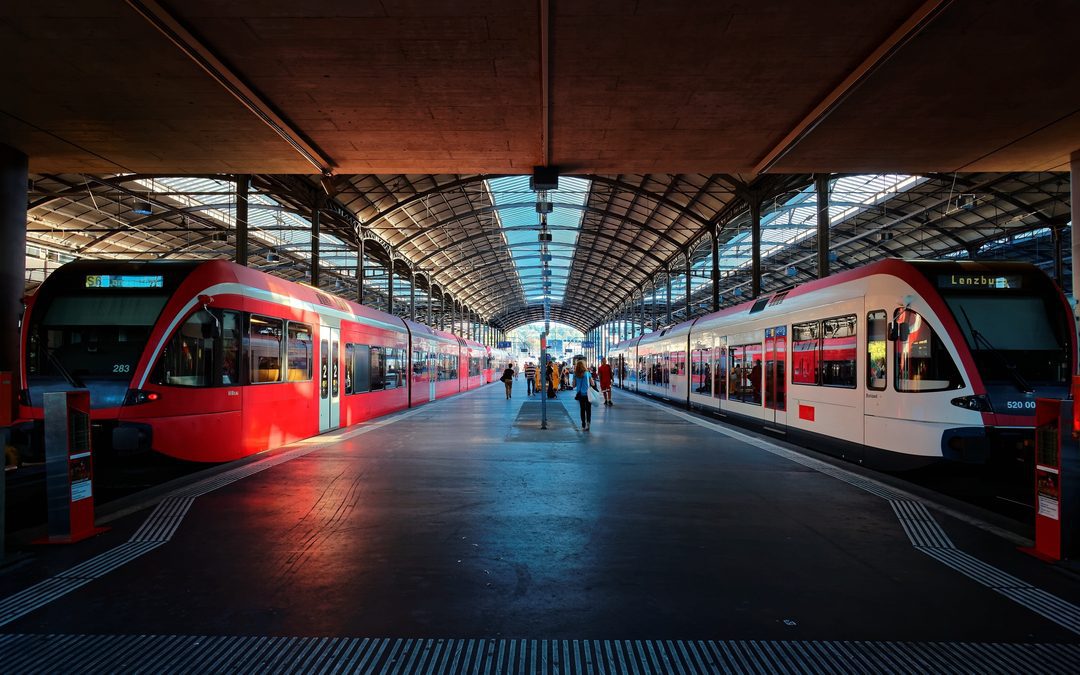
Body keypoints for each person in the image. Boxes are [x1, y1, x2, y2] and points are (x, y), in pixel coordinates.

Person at [573, 360, 595, 431]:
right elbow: (593, 384)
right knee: (588, 409)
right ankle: (588, 424)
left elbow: (573, 385)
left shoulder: (575, 374)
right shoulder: (587, 373)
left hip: (580, 395)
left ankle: (583, 425)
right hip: (588, 394)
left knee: (582, 409)